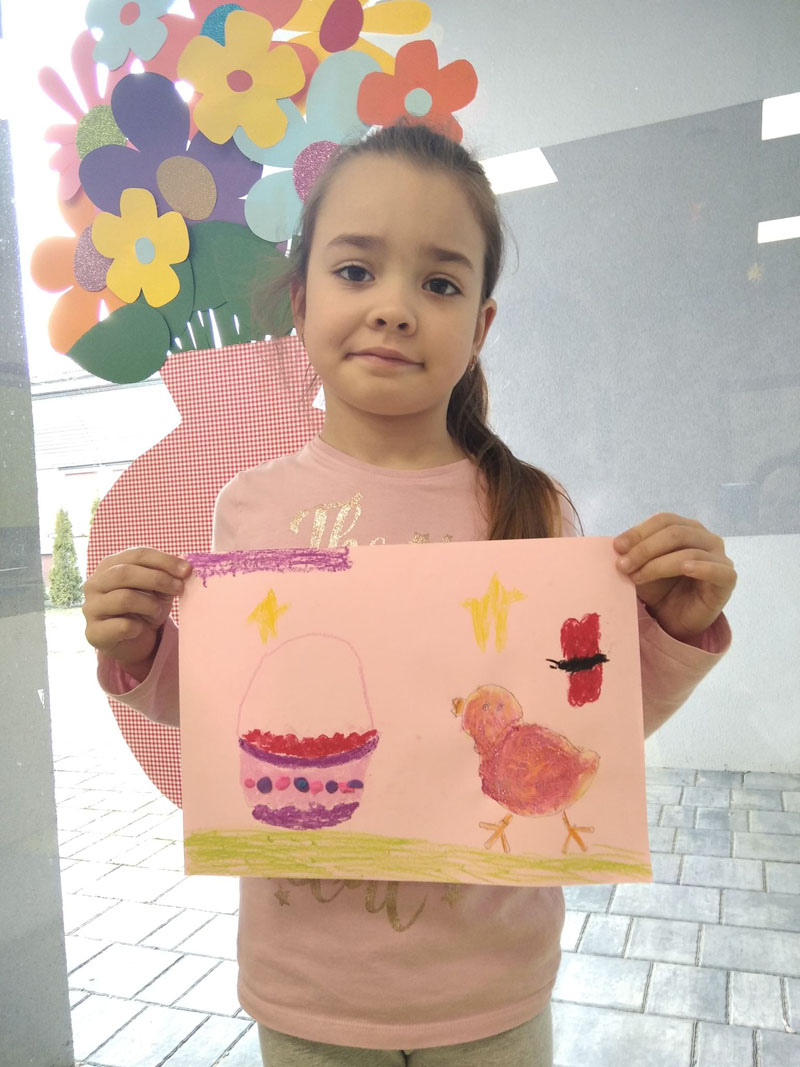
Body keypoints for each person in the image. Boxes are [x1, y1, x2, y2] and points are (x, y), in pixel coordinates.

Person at [83, 123, 735, 1067]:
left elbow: (577, 726)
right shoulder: (250, 506)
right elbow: (238, 709)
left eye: (439, 283)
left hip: (491, 988)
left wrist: (671, 629)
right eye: (356, 271)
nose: (393, 308)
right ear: (300, 300)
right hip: (308, 988)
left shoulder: (529, 507)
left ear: (481, 327)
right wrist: (142, 648)